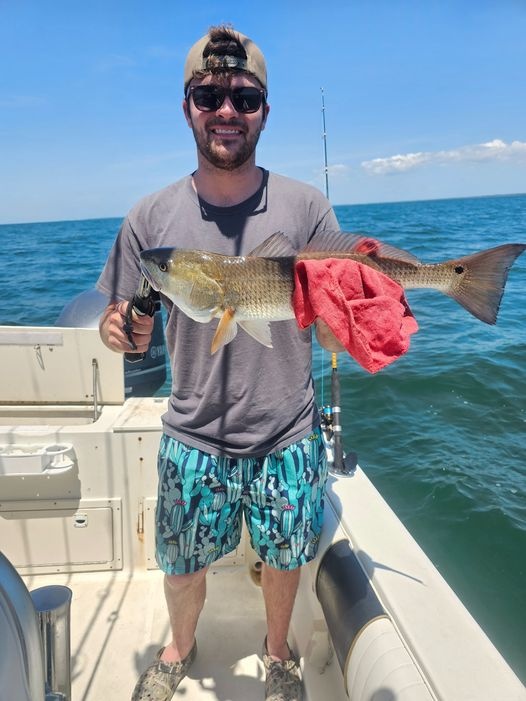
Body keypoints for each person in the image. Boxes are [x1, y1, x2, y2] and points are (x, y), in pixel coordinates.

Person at [97, 25, 342, 701]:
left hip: (287, 430)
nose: (226, 109)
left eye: (244, 96)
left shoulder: (306, 207)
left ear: (265, 108)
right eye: (208, 94)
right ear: (187, 108)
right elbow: (119, 318)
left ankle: (278, 655)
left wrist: (355, 315)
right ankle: (179, 645)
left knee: (288, 558)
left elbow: (334, 315)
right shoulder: (149, 218)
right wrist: (119, 327)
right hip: (192, 433)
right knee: (180, 564)